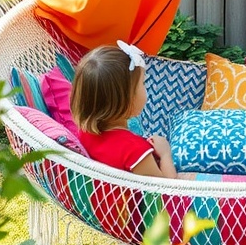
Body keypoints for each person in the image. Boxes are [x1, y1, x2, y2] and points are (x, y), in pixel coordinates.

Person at [70, 40, 179, 178]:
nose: (145, 89)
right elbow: (167, 192)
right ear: (128, 99)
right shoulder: (136, 151)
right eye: (142, 83)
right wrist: (165, 154)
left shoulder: (84, 132)